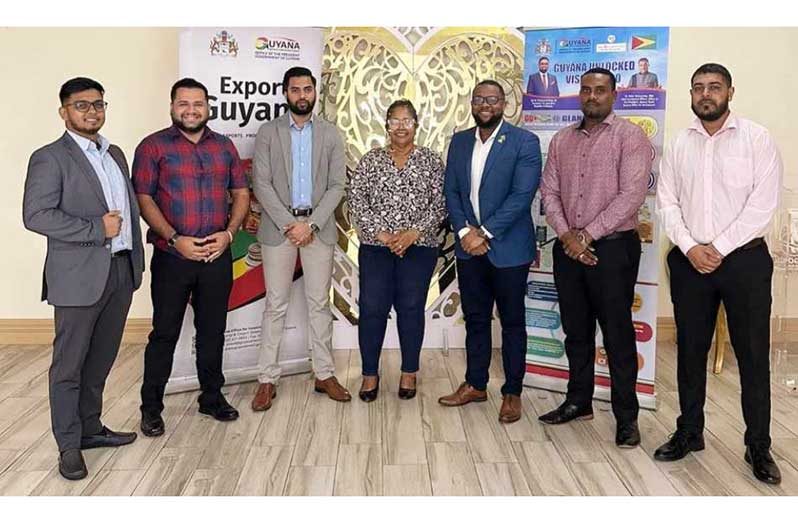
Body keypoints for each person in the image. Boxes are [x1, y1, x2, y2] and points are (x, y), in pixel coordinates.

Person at [655, 63, 783, 484]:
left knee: (751, 356)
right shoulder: (678, 143)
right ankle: (690, 432)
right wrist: (692, 248)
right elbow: (667, 203)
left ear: (731, 91)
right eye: (698, 88)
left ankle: (758, 446)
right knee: (690, 352)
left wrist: (718, 249)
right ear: (691, 95)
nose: (706, 94)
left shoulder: (757, 139)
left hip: (743, 261)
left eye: (714, 87)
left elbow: (761, 206)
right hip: (690, 263)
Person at [23, 77, 145, 480]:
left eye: (98, 104)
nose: (91, 111)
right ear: (64, 112)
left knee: (100, 360)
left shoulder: (115, 154)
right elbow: (36, 215)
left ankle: (91, 429)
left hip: (119, 272)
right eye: (81, 105)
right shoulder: (50, 157)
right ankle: (69, 446)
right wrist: (97, 228)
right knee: (68, 366)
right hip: (78, 278)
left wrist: (133, 263)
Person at [538, 67, 652, 448]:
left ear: (614, 95)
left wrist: (587, 235)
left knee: (618, 334)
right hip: (569, 247)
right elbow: (549, 192)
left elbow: (631, 196)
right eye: (586, 90)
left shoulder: (630, 137)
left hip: (614, 248)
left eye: (600, 90)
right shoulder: (560, 141)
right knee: (577, 331)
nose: (592, 96)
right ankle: (578, 401)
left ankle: (626, 418)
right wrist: (570, 237)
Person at [132, 78, 250, 436]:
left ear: (208, 107)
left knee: (213, 331)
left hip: (217, 257)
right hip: (173, 257)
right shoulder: (153, 147)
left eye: (198, 103)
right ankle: (151, 408)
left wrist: (229, 235)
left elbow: (241, 193)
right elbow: (144, 199)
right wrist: (175, 238)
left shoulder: (225, 147)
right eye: (183, 103)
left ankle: (211, 397)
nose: (191, 110)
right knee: (164, 333)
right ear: (172, 107)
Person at [438, 80, 542, 424]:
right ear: (471, 103)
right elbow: (452, 191)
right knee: (477, 320)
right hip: (470, 250)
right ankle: (475, 384)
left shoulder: (524, 141)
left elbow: (521, 195)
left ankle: (512, 391)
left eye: (493, 100)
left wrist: (484, 233)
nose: (485, 105)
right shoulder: (460, 141)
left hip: (509, 249)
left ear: (504, 104)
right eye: (479, 99)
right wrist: (466, 232)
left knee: (512, 323)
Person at [251, 66, 349, 410]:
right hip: (279, 230)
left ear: (315, 93)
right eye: (295, 90)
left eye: (307, 89)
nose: (302, 95)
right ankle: (266, 379)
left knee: (319, 304)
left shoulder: (331, 134)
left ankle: (323, 373)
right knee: (275, 304)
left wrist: (312, 225)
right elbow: (260, 183)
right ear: (286, 93)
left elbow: (338, 184)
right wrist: (289, 224)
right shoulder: (268, 132)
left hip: (317, 230)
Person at [348, 99, 446, 402]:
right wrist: (384, 234)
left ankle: (409, 372)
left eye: (407, 120)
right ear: (386, 125)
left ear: (416, 124)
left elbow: (442, 203)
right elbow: (356, 201)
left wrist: (413, 233)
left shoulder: (430, 161)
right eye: (395, 120)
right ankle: (369, 374)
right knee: (373, 309)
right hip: (377, 247)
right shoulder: (370, 160)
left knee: (411, 308)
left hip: (419, 247)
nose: (401, 126)